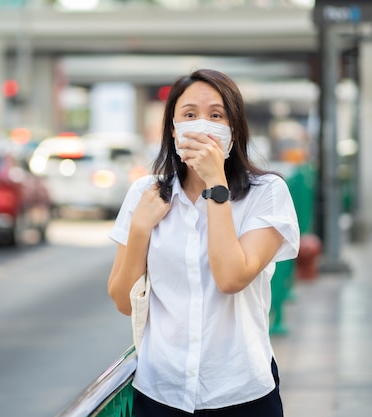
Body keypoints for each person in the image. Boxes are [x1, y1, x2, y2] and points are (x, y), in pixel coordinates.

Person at [107, 69, 300, 416]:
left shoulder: (268, 194)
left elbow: (231, 278)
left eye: (215, 115)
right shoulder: (144, 195)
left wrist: (216, 185)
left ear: (234, 129)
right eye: (190, 115)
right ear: (173, 128)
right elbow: (124, 301)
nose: (202, 125)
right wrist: (139, 229)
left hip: (242, 392)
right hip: (161, 393)